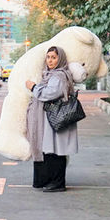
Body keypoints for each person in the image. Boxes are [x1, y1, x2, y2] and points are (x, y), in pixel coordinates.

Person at [25, 46, 77, 192]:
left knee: (56, 150)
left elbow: (50, 93)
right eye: (48, 57)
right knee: (50, 149)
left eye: (54, 57)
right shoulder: (50, 74)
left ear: (60, 59)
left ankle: (57, 183)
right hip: (50, 118)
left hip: (55, 117)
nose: (50, 60)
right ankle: (49, 180)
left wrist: (34, 87)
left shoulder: (59, 76)